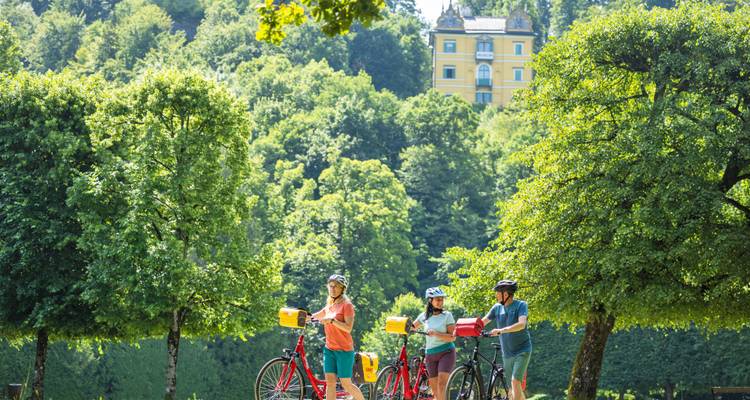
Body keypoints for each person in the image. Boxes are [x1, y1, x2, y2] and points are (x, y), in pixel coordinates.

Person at [310, 274, 365, 400]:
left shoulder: (347, 305)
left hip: (344, 351)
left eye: (336, 286)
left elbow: (348, 327)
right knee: (330, 382)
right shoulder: (330, 304)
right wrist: (305, 317)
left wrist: (332, 321)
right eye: (331, 286)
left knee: (346, 384)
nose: (333, 289)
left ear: (342, 289)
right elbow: (317, 315)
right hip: (329, 349)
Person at [482, 280, 531, 400]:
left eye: (498, 292)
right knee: (512, 388)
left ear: (506, 294)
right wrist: (466, 328)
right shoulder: (497, 308)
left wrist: (501, 330)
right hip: (507, 353)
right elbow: (482, 322)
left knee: (515, 382)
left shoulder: (521, 305)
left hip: (522, 350)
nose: (496, 295)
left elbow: (521, 324)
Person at [412, 287, 456, 400]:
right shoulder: (424, 316)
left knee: (441, 385)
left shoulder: (447, 315)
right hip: (430, 355)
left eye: (442, 299)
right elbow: (412, 327)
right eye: (438, 299)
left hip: (446, 352)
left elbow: (452, 337)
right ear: (430, 301)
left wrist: (436, 334)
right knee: (435, 392)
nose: (441, 302)